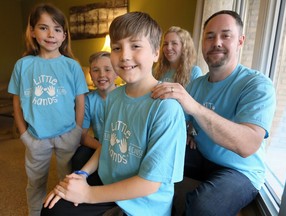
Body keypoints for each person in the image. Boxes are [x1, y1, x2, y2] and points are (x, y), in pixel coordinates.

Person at [41, 11, 186, 216]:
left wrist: (88, 194)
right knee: (51, 209)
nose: (125, 55)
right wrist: (82, 174)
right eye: (117, 48)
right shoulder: (115, 97)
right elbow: (107, 145)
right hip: (110, 185)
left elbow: (150, 184)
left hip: (143, 205)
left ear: (155, 52)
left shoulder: (166, 108)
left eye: (135, 46)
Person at [151, 10, 276, 216]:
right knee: (154, 159)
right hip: (202, 156)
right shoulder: (197, 85)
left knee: (204, 207)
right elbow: (173, 124)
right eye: (210, 36)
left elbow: (248, 145)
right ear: (202, 43)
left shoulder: (257, 84)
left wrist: (195, 108)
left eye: (225, 35)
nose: (216, 42)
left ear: (240, 41)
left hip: (240, 171)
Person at [8, 3, 88, 216]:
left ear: (64, 35)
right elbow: (16, 102)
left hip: (67, 134)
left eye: (57, 29)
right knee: (35, 182)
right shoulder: (23, 65)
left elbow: (81, 101)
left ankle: (66, 212)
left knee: (67, 181)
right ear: (33, 32)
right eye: (43, 28)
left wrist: (77, 131)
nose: (51, 34)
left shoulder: (72, 66)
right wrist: (24, 134)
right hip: (36, 137)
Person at [71, 51, 118, 186]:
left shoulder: (125, 96)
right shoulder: (87, 100)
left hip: (121, 145)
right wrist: (101, 147)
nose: (102, 75)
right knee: (79, 157)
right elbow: (81, 135)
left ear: (116, 73)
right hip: (101, 143)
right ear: (90, 75)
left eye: (107, 69)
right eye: (96, 70)